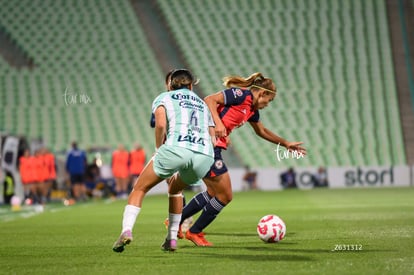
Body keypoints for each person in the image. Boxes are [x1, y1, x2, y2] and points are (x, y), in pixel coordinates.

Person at [179, 72, 307, 246]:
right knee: (225, 196)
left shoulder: (252, 110)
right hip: (207, 145)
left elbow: (261, 131)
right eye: (268, 101)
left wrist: (285, 143)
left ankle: (175, 221)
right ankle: (194, 232)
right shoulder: (241, 95)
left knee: (213, 193)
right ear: (262, 93)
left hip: (211, 147)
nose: (266, 105)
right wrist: (218, 124)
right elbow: (210, 100)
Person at [112, 69, 215, 253]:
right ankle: (171, 238)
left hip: (177, 148)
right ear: (191, 86)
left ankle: (126, 230)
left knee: (139, 188)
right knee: (176, 189)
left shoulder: (165, 97)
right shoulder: (202, 103)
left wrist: (159, 149)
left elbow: (160, 124)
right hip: (205, 155)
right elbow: (213, 136)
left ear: (170, 85)